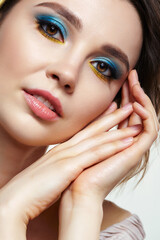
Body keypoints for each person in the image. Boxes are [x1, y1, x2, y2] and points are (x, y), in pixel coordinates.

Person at [0, 0, 159, 239]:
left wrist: (81, 203)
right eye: (51, 29)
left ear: (119, 101)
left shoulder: (109, 231)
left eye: (102, 67)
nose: (67, 73)